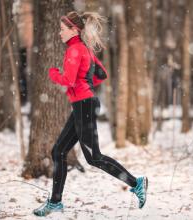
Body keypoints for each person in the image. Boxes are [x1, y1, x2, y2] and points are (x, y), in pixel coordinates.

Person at [33, 11, 148, 217]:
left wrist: (53, 74)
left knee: (93, 157)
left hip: (84, 105)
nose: (60, 33)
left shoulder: (75, 50)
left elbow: (68, 80)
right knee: (58, 151)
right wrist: (86, 84)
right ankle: (55, 202)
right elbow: (102, 74)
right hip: (84, 104)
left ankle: (136, 183)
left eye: (62, 29)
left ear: (73, 30)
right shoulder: (83, 49)